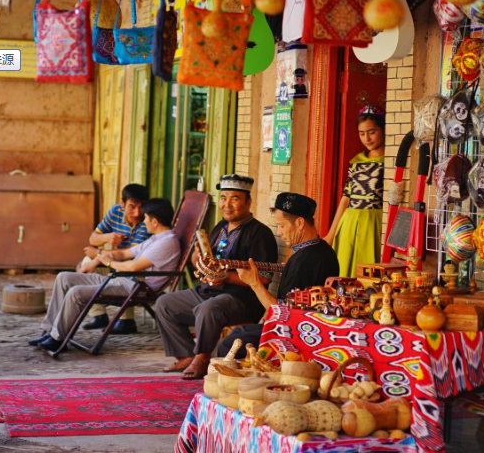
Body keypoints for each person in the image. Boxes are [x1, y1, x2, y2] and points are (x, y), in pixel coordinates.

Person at [155, 174, 278, 380]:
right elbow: (206, 262)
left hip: (241, 299)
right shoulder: (220, 227)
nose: (227, 204)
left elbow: (264, 278)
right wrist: (197, 258)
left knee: (208, 309)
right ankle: (186, 354)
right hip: (208, 291)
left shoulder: (260, 233)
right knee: (165, 303)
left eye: (234, 199)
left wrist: (226, 278)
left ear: (248, 202)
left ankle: (202, 358)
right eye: (223, 198)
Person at [28, 198, 181, 353]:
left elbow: (133, 266)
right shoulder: (154, 239)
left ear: (155, 222)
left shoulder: (166, 243)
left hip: (136, 288)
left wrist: (108, 263)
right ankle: (48, 331)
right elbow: (124, 253)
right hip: (123, 280)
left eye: (146, 218)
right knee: (64, 278)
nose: (144, 221)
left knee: (76, 292)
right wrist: (102, 256)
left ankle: (57, 339)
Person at [218, 192, 339, 358]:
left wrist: (254, 283)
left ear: (300, 223)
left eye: (282, 226)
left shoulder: (302, 261)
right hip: (309, 328)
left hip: (297, 335)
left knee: (229, 343)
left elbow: (281, 315)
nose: (280, 233)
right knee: (239, 332)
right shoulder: (323, 249)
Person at [81, 183, 151, 335]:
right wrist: (107, 237)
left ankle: (127, 321)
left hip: (137, 266)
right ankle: (99, 315)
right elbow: (93, 238)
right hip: (114, 260)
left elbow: (130, 253)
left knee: (125, 268)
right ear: (122, 204)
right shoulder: (115, 211)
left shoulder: (147, 221)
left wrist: (98, 254)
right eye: (132, 207)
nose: (137, 213)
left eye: (141, 207)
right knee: (85, 263)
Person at [324, 105, 385, 278]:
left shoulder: (390, 162)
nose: (367, 138)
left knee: (369, 274)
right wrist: (331, 234)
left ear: (383, 129)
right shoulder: (356, 162)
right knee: (344, 272)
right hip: (349, 222)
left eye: (371, 132)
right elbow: (346, 198)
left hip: (373, 222)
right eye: (362, 133)